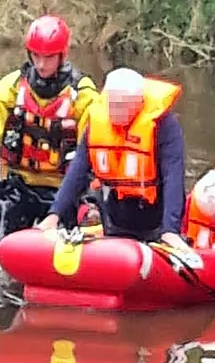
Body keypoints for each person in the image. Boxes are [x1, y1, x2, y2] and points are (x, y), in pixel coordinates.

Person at [0, 14, 100, 246]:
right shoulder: (11, 87)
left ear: (62, 55)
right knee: (2, 224)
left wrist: (89, 195)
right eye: (36, 56)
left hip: (64, 189)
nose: (41, 64)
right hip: (20, 184)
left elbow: (91, 151)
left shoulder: (84, 95)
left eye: (48, 57)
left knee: (79, 228)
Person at [36, 67, 191, 252]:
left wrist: (170, 229)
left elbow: (173, 176)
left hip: (154, 216)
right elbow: (77, 171)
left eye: (122, 106)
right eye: (112, 105)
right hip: (116, 213)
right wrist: (54, 214)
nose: (115, 112)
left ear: (139, 102)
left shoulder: (164, 126)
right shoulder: (98, 123)